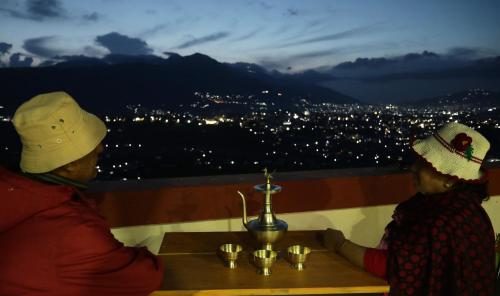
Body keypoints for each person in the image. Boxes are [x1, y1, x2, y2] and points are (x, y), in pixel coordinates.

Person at [0, 92, 164, 295]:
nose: (100, 149)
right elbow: (143, 278)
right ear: (69, 164)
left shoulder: (14, 196)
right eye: (91, 146)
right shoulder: (72, 229)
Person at [323, 122, 495, 295]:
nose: (414, 168)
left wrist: (340, 244)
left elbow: (393, 266)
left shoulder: (439, 220)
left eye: (425, 164)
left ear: (450, 180)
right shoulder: (467, 210)